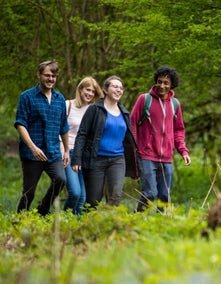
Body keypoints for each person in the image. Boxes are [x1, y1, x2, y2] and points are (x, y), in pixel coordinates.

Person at [71, 75, 138, 209]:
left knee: (115, 197)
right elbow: (82, 134)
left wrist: (136, 169)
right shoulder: (95, 109)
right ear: (105, 90)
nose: (118, 90)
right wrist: (77, 159)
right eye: (115, 86)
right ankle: (87, 227)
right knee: (93, 201)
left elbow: (129, 142)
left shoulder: (125, 113)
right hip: (96, 159)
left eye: (121, 88)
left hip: (118, 159)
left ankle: (109, 227)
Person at [130, 65, 191, 212]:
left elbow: (178, 130)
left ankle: (160, 223)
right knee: (150, 193)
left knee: (164, 197)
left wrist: (183, 151)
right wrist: (135, 152)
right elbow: (132, 125)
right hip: (147, 156)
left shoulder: (175, 104)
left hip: (167, 158)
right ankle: (137, 219)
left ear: (171, 86)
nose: (162, 85)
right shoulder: (144, 99)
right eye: (159, 81)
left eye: (166, 83)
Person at [14, 60, 70, 216]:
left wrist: (66, 150)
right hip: (32, 153)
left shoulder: (60, 98)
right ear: (39, 75)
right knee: (29, 192)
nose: (51, 79)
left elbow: (63, 126)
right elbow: (20, 124)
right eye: (47, 75)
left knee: (60, 180)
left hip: (53, 152)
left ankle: (42, 211)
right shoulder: (27, 97)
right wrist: (33, 147)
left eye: (54, 76)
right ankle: (20, 220)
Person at [61, 77, 103, 215]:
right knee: (75, 193)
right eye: (88, 90)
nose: (90, 94)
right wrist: (64, 150)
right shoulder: (67, 105)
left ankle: (74, 226)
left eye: (93, 91)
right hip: (68, 152)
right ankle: (62, 220)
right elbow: (58, 129)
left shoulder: (94, 110)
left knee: (83, 197)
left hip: (84, 156)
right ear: (80, 89)